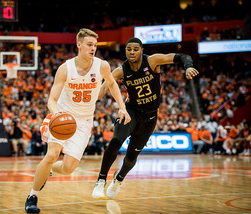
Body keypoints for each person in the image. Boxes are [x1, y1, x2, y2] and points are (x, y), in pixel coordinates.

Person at [25, 28, 131, 213]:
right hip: (63, 116)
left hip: (84, 121)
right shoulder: (66, 69)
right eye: (89, 45)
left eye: (95, 45)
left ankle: (47, 170)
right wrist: (57, 114)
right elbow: (51, 100)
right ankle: (32, 196)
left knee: (68, 168)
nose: (93, 48)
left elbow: (112, 85)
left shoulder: (102, 66)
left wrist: (121, 107)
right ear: (79, 45)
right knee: (51, 155)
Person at [92, 37, 199, 199]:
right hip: (130, 112)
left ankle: (119, 179)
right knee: (115, 141)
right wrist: (91, 99)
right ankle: (101, 180)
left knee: (131, 157)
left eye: (136, 49)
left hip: (150, 116)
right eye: (129, 49)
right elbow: (104, 88)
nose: (132, 52)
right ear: (126, 51)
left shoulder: (153, 61)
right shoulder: (121, 71)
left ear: (142, 50)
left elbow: (182, 56)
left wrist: (188, 67)